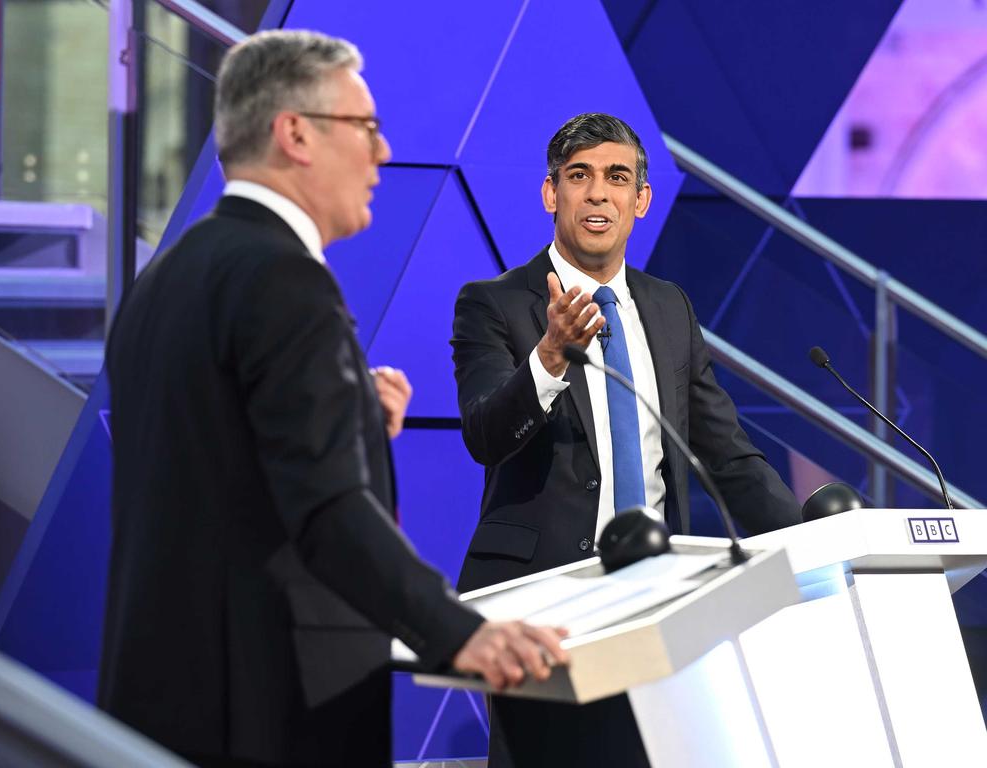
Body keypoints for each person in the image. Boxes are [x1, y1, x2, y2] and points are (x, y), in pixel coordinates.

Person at [98, 30, 566, 768]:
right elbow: (327, 508)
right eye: (367, 127)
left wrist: (356, 426)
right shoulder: (285, 280)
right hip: (270, 712)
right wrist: (460, 629)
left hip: (164, 705)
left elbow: (222, 470)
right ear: (295, 133)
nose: (382, 154)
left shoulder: (166, 279)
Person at [451, 112, 801, 766]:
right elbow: (486, 435)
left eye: (618, 178)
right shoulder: (494, 303)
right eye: (579, 177)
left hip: (660, 602)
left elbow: (725, 455)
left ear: (641, 199)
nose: (598, 194)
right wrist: (551, 353)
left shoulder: (670, 308)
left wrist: (811, 540)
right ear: (551, 193)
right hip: (540, 600)